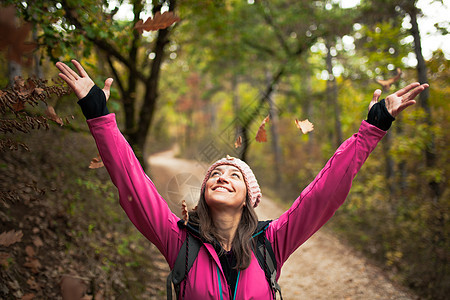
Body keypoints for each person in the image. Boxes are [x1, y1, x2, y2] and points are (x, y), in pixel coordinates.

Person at [56, 59, 428, 299]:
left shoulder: (272, 244)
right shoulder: (178, 241)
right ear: (203, 194)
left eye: (234, 175)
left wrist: (371, 130)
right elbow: (132, 183)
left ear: (250, 197)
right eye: (214, 174)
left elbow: (322, 195)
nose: (221, 176)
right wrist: (99, 117)